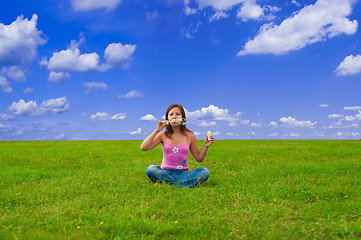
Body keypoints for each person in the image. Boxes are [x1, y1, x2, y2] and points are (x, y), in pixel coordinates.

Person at [141, 104, 214, 188]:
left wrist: (206, 146)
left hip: (183, 173)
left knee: (204, 171)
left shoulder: (190, 136)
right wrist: (157, 130)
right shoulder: (162, 135)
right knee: (151, 169)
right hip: (165, 173)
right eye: (171, 114)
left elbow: (199, 158)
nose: (174, 117)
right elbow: (144, 147)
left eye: (178, 114)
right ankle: (182, 184)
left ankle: (168, 185)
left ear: (183, 118)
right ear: (167, 118)